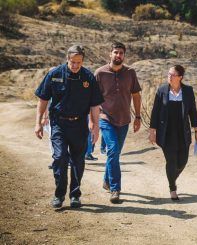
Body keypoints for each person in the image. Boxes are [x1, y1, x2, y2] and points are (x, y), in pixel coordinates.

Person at [34, 45, 104, 208]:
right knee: (59, 157)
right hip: (59, 123)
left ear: (83, 61)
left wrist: (95, 127)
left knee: (78, 160)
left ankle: (75, 195)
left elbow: (95, 105)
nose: (75, 66)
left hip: (80, 124)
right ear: (67, 59)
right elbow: (43, 99)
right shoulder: (54, 74)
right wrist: (38, 122)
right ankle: (59, 195)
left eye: (78, 63)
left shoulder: (88, 77)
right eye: (72, 62)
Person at [95, 41, 142, 204]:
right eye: (115, 52)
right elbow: (93, 99)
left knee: (114, 153)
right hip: (105, 118)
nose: (118, 55)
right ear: (110, 54)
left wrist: (138, 117)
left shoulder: (130, 72)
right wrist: (92, 120)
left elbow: (136, 95)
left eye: (121, 53)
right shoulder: (100, 73)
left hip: (124, 120)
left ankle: (107, 180)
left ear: (124, 55)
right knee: (113, 150)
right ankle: (115, 189)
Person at [149, 65, 197, 201]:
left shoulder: (188, 91)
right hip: (166, 132)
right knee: (171, 161)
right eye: (169, 74)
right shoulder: (162, 90)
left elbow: (192, 112)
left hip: (183, 131)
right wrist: (152, 131)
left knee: (182, 162)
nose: (169, 76)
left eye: (172, 75)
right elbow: (155, 112)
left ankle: (171, 176)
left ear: (180, 77)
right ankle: (172, 187)